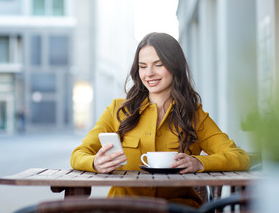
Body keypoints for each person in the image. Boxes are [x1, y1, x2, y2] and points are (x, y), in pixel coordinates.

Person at [70, 32, 251, 207]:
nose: (149, 73)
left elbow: (240, 158)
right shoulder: (117, 110)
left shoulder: (193, 115)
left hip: (177, 208)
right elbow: (78, 154)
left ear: (175, 66)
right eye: (143, 66)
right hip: (124, 207)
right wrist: (95, 163)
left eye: (158, 64)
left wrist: (199, 162)